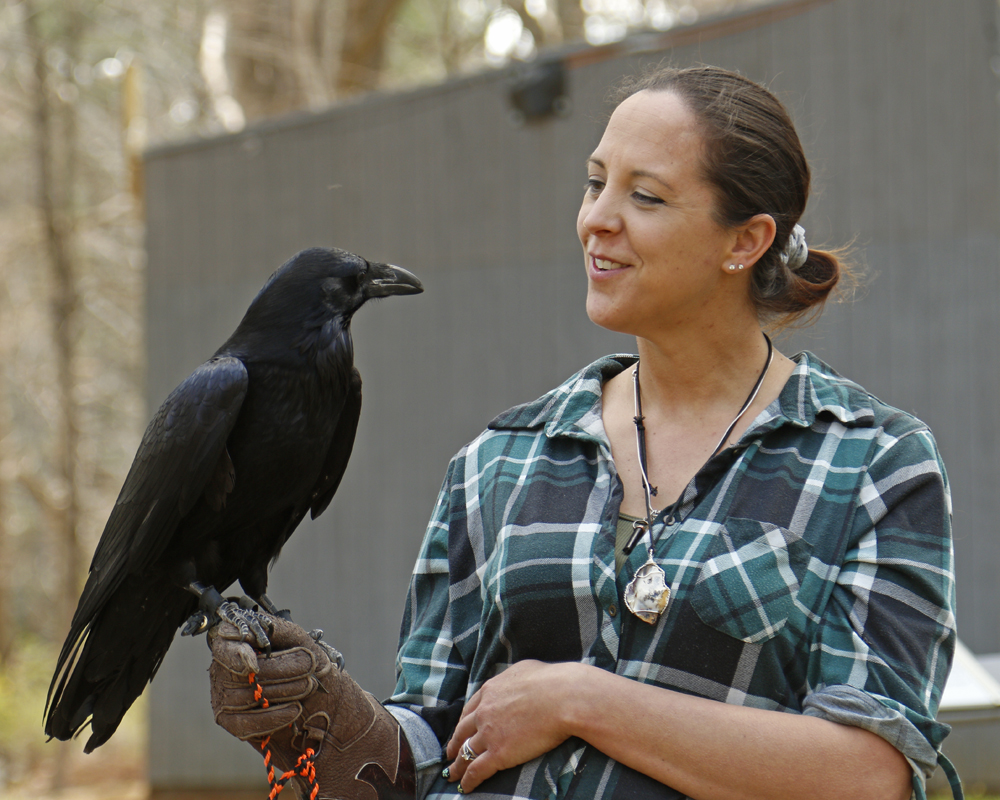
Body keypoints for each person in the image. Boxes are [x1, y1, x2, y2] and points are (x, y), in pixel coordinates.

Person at [207, 65, 961, 800]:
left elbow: (870, 773)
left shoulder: (871, 464)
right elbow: (435, 738)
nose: (598, 217)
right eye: (595, 181)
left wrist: (580, 700)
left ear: (745, 241)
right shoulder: (498, 462)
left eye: (646, 196)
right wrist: (335, 724)